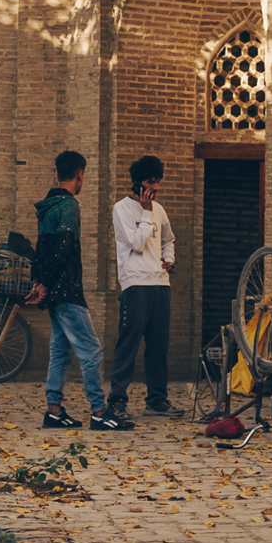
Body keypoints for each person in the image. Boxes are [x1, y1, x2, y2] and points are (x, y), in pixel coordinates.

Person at [24, 150, 134, 431]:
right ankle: (99, 411)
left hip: (53, 291)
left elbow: (42, 249)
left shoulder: (47, 206)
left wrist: (38, 282)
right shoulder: (69, 206)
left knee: (60, 350)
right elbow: (61, 250)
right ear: (81, 174)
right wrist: (45, 284)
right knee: (91, 350)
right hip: (67, 291)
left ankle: (54, 410)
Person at [108, 155, 179, 419]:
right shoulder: (122, 209)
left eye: (158, 182)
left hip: (160, 284)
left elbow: (168, 240)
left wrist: (169, 259)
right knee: (128, 343)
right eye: (151, 182)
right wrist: (147, 212)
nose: (156, 188)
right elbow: (136, 243)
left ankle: (157, 400)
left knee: (159, 346)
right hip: (135, 284)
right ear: (137, 182)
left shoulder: (159, 210)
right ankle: (117, 400)